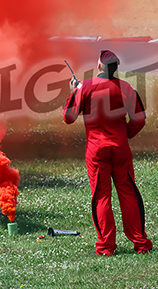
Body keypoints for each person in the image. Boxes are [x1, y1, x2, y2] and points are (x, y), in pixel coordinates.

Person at [62, 50, 152, 256]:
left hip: (96, 150)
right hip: (120, 149)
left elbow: (69, 117)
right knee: (129, 194)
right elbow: (139, 120)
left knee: (101, 197)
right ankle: (141, 243)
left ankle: (106, 247)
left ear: (100, 66)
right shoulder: (127, 88)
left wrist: (74, 92)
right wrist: (124, 135)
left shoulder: (85, 86)